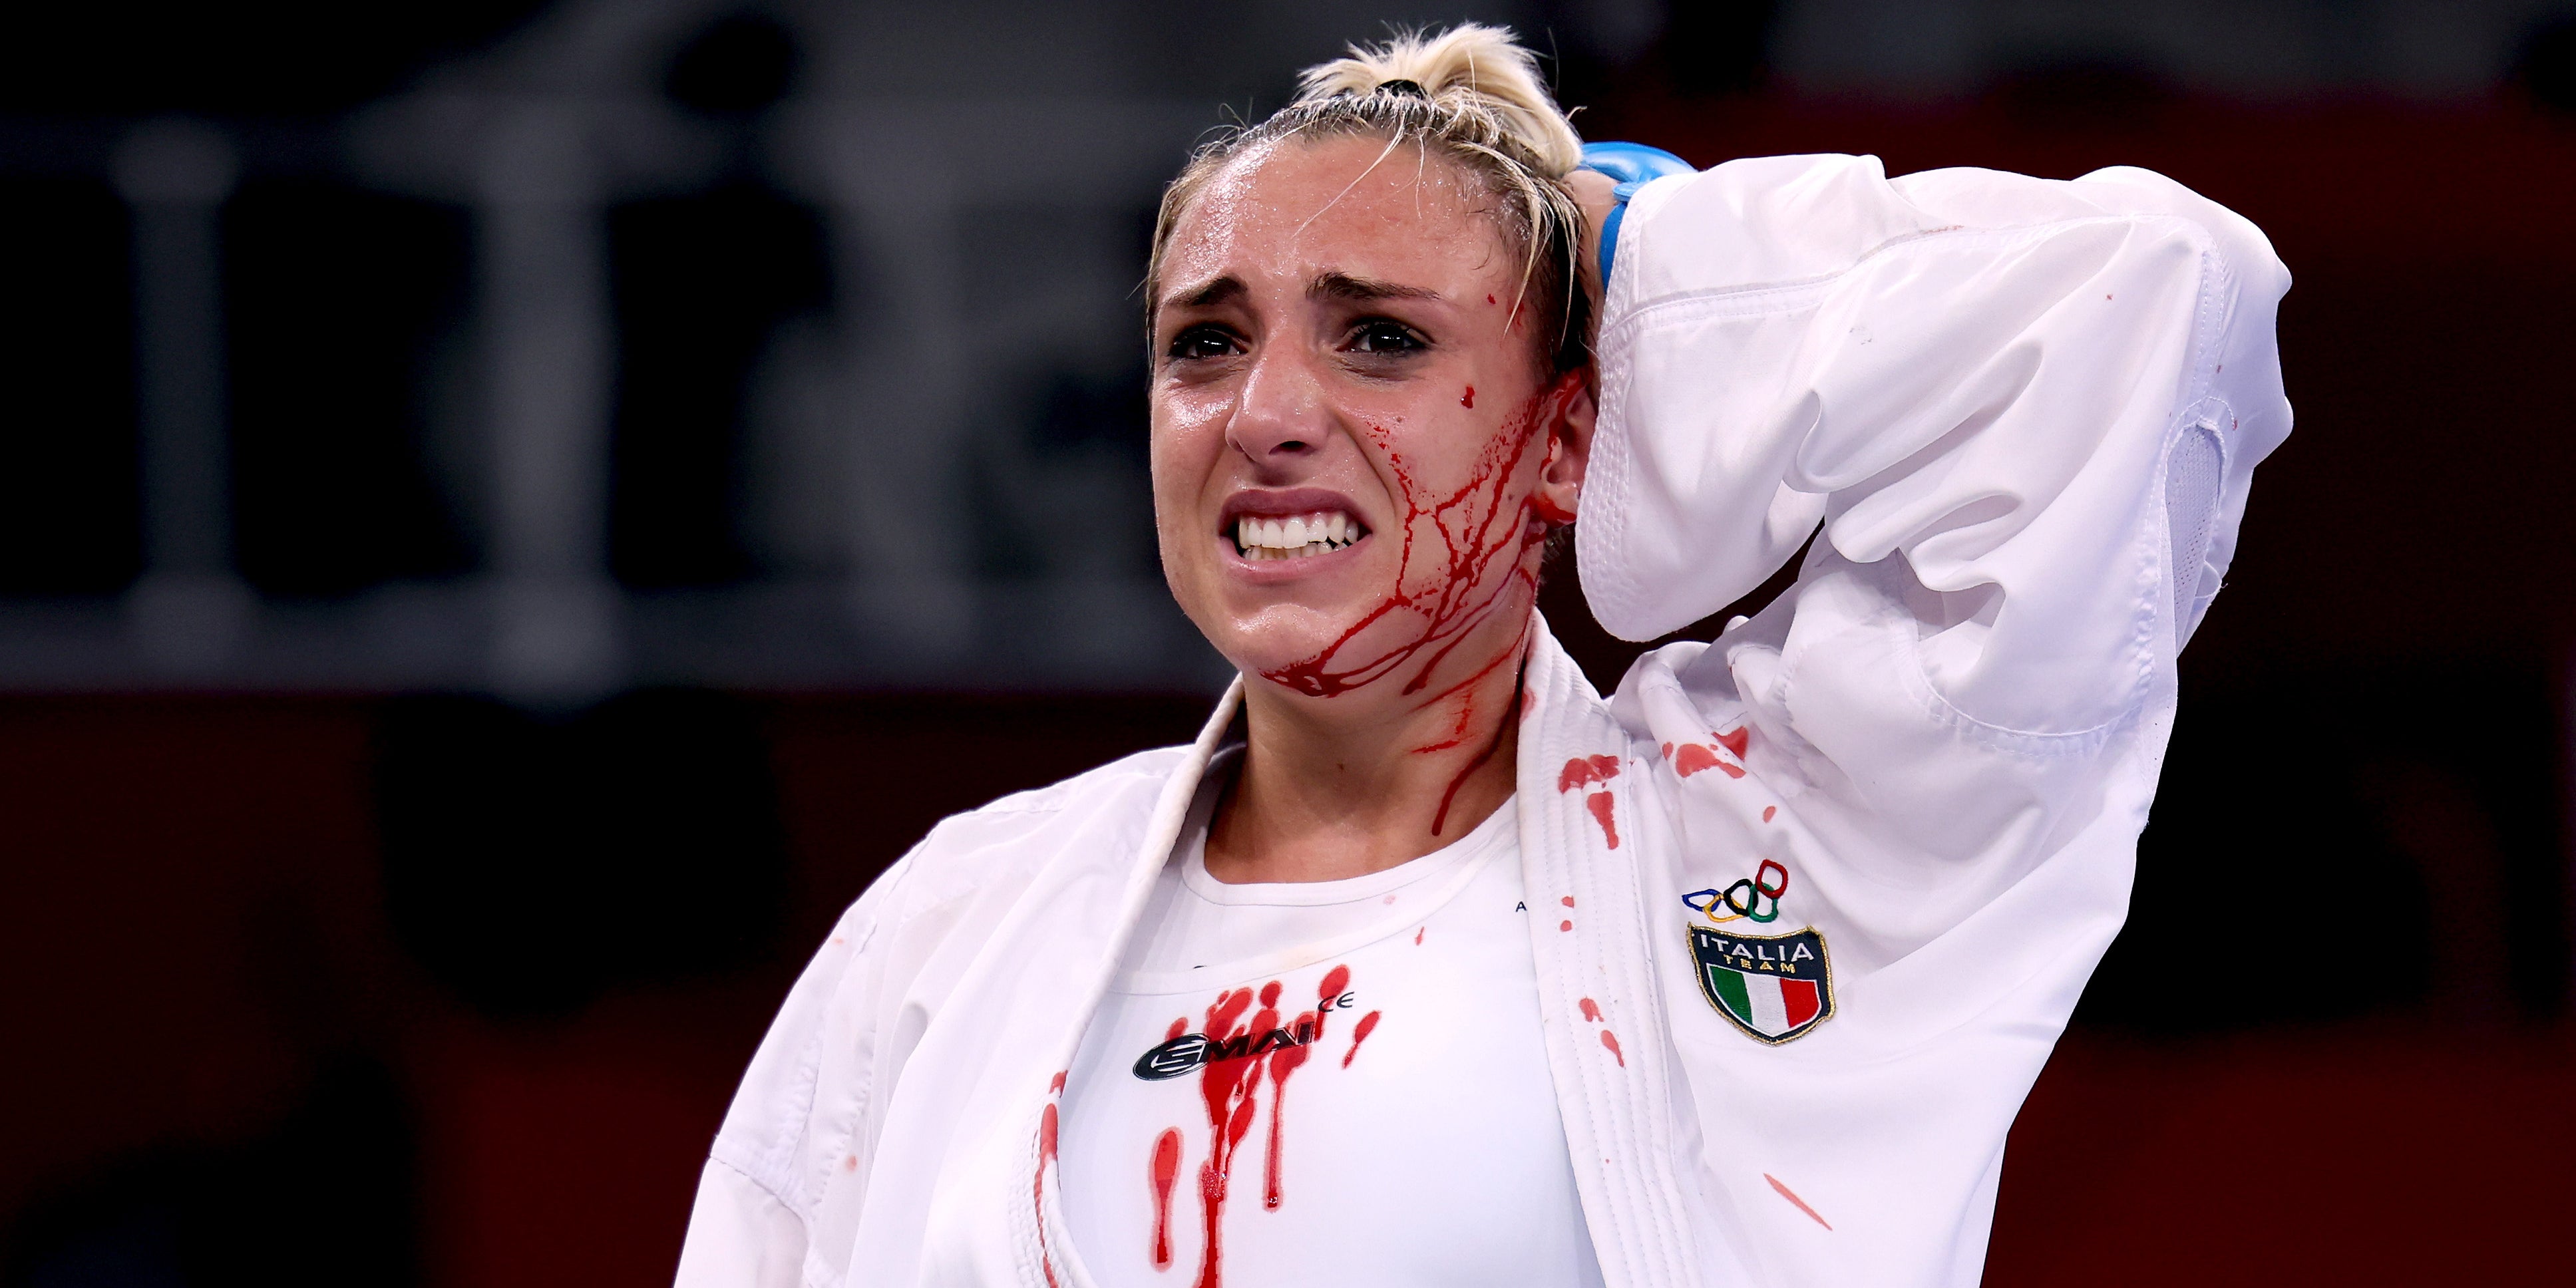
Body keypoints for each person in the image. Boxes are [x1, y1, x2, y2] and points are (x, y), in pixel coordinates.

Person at [673, 24, 2289, 1288]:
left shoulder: (1782, 841)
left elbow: (2153, 300)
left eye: (1380, 335)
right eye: (1205, 341)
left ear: (1568, 437)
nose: (1266, 412)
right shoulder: (951, 923)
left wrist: (1638, 251)